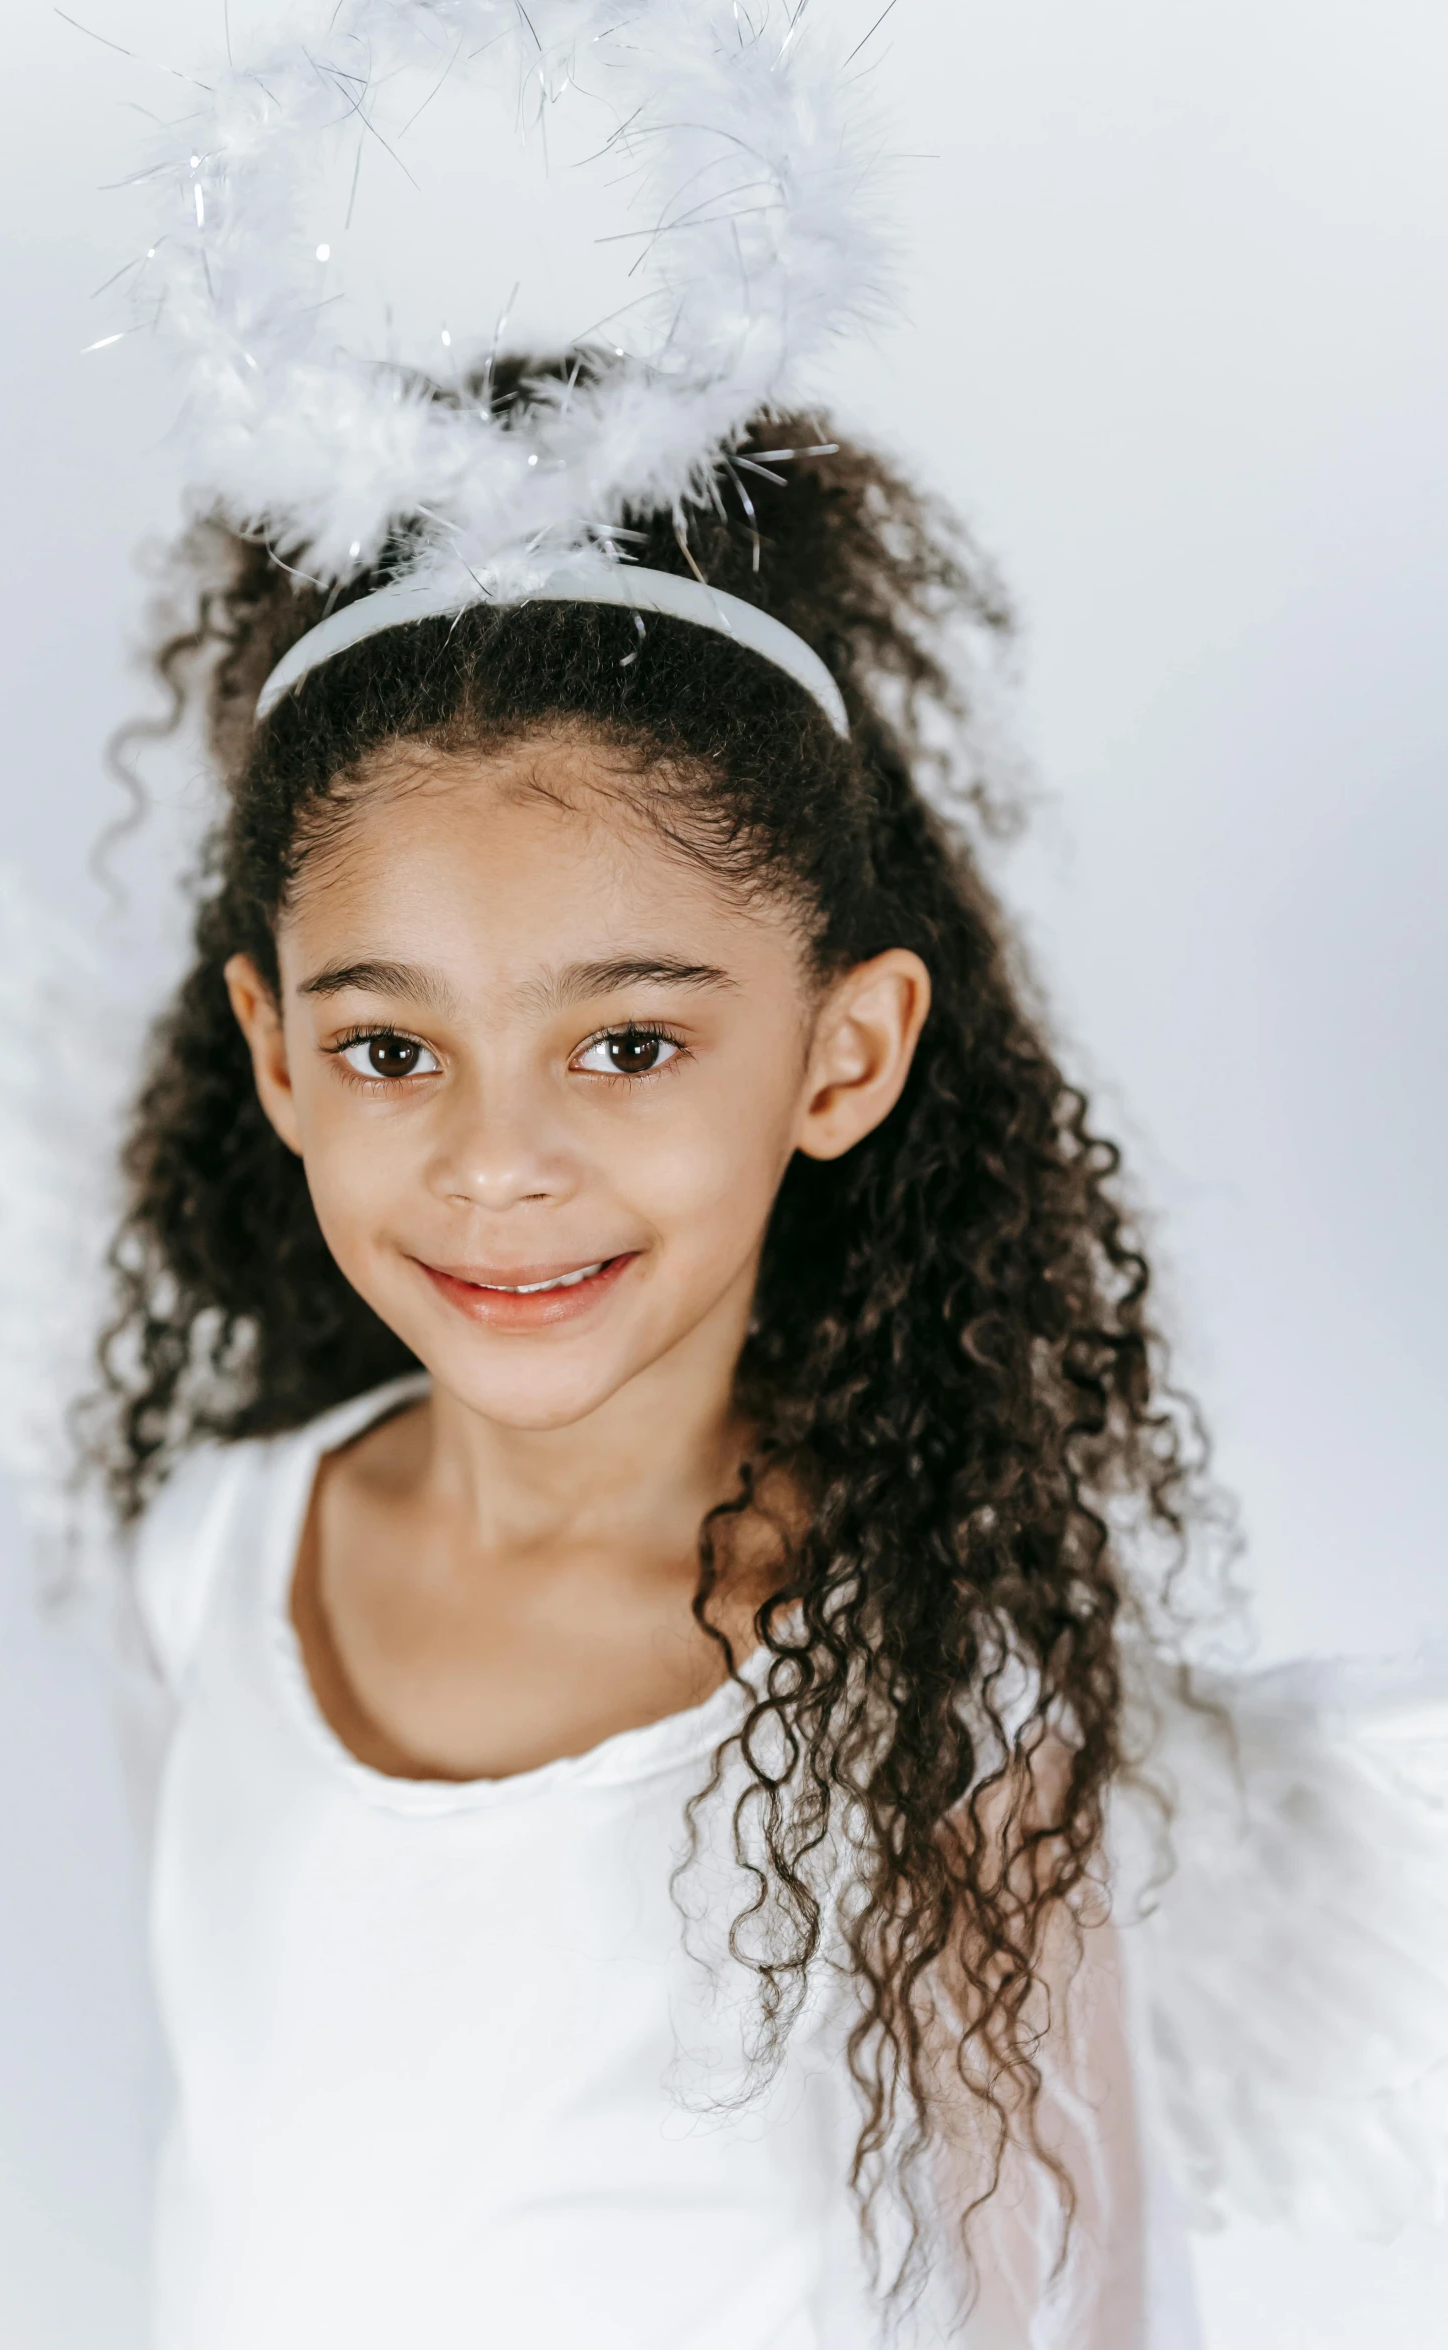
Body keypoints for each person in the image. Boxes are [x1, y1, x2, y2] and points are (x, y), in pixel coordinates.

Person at [97, 408, 1202, 2348]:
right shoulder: (211, 1564)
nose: (495, 1160)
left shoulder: (931, 1702)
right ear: (273, 1052)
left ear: (841, 1055)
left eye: (625, 1046)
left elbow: (1083, 2304)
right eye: (388, 1049)